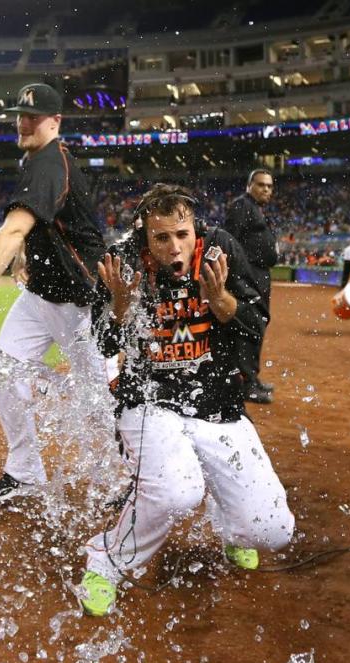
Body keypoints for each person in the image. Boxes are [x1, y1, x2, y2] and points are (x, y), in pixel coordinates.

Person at [77, 184, 295, 616]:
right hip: (149, 401)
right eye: (162, 238)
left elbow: (256, 322)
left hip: (218, 403)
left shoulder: (221, 251)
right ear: (145, 234)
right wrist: (119, 309)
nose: (174, 247)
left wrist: (222, 302)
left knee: (272, 532)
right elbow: (103, 344)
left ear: (195, 227)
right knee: (178, 492)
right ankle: (105, 563)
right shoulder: (120, 260)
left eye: (182, 234)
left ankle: (234, 528)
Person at [0, 82, 108, 502]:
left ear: (55, 122)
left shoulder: (50, 164)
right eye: (20, 115)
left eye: (33, 117)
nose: (23, 122)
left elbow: (15, 225)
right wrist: (24, 252)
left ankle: (128, 476)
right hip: (39, 297)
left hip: (81, 303)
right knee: (6, 374)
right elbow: (35, 226)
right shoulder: (37, 159)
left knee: (101, 398)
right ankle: (24, 472)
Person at [224, 169, 276, 404]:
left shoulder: (254, 208)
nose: (266, 189)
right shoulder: (241, 206)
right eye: (261, 185)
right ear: (249, 185)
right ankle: (245, 383)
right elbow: (230, 242)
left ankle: (252, 378)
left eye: (269, 186)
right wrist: (239, 278)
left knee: (258, 326)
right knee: (249, 328)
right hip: (248, 277)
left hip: (259, 275)